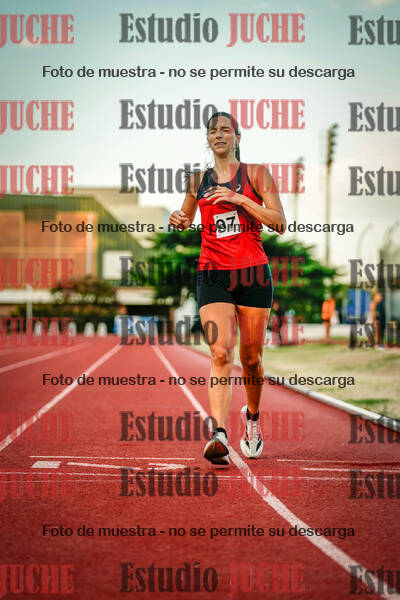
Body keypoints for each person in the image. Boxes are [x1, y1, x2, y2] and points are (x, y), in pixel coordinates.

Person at [169, 111, 286, 464]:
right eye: (212, 131)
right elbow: (186, 219)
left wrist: (241, 200)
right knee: (220, 353)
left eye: (225, 130)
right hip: (213, 273)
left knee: (251, 359)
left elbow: (279, 222)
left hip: (253, 274)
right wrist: (178, 220)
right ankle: (218, 432)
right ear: (207, 139)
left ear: (237, 136)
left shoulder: (257, 174)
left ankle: (252, 420)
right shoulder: (197, 180)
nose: (218, 135)